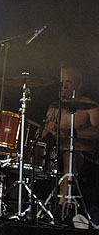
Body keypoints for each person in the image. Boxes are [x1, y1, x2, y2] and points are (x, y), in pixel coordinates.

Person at [41, 67, 99, 220]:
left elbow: (97, 131)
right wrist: (47, 129)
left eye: (69, 82)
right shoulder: (54, 107)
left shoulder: (90, 106)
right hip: (55, 154)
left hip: (83, 156)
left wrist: (72, 133)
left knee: (69, 157)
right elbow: (40, 137)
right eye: (62, 83)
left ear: (79, 85)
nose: (64, 87)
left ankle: (63, 208)